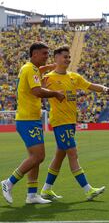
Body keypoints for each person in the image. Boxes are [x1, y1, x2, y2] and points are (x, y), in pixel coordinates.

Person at [39, 46, 109, 201]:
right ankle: (88, 189)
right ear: (56, 58)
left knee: (59, 157)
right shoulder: (48, 78)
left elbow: (90, 85)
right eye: (65, 57)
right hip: (60, 122)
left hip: (70, 121)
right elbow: (35, 90)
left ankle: (46, 190)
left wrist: (106, 89)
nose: (68, 59)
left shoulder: (74, 76)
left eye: (69, 57)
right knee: (73, 154)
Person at [1, 42, 65, 205]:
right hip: (27, 119)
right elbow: (37, 91)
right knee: (38, 156)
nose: (46, 56)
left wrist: (49, 66)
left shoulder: (30, 68)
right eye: (44, 54)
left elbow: (39, 71)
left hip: (31, 119)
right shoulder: (30, 69)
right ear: (34, 54)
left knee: (35, 158)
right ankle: (8, 182)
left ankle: (32, 195)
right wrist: (55, 94)